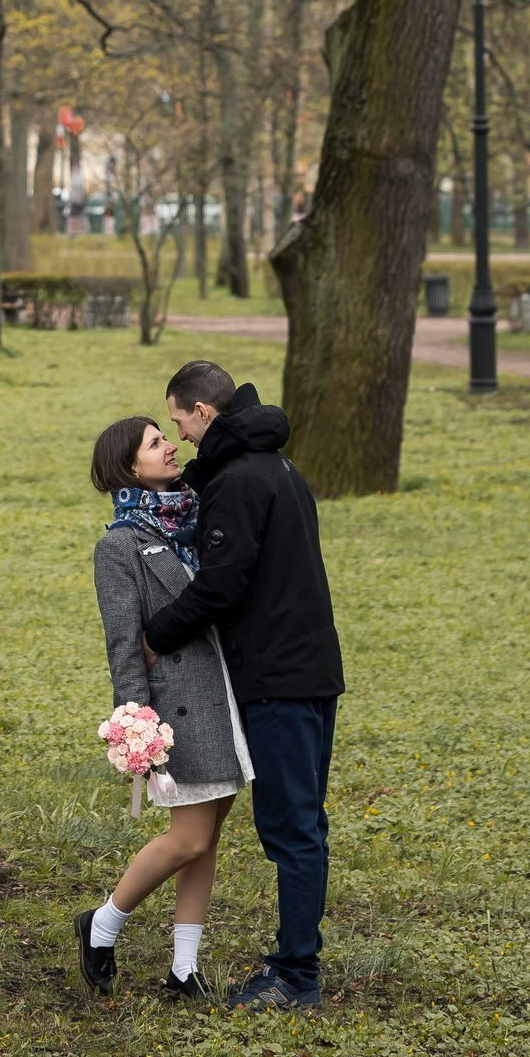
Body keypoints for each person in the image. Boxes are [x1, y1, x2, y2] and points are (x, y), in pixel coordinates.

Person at [142, 360, 343, 1013]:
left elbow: (222, 584)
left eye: (178, 418)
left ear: (204, 412)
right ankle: (294, 961)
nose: (178, 432)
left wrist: (158, 633)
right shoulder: (276, 467)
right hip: (312, 667)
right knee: (304, 824)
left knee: (292, 830)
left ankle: (295, 978)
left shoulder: (238, 479)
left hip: (278, 676)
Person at [75, 413, 255, 1003]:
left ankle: (184, 967)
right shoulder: (118, 546)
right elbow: (122, 640)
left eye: (165, 436)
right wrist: (135, 719)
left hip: (227, 692)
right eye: (155, 443)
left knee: (209, 835)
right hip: (179, 707)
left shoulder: (198, 517)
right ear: (129, 466)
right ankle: (102, 924)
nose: (170, 446)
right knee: (189, 838)